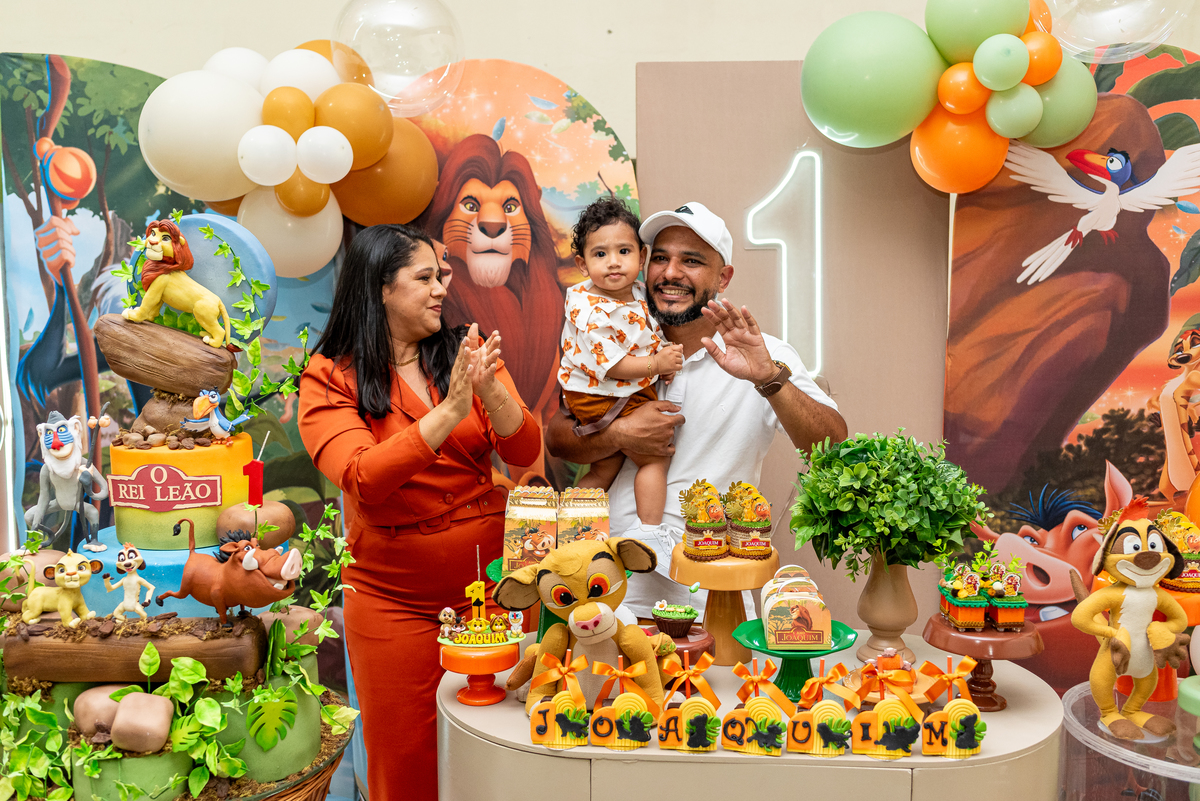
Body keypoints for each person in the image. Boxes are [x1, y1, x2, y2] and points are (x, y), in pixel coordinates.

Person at [298, 224, 541, 801]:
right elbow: (364, 478)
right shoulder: (329, 377)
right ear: (381, 288)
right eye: (425, 277)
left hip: (494, 589)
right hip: (392, 603)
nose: (441, 290)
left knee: (506, 746)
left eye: (443, 277)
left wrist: (487, 390)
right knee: (405, 762)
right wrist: (451, 408)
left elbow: (525, 450)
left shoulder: (465, 352)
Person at [546, 202, 847, 617]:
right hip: (606, 585)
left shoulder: (762, 354)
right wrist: (620, 435)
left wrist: (767, 378)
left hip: (711, 592)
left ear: (723, 277)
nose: (670, 273)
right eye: (661, 258)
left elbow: (831, 447)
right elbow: (558, 438)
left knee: (711, 686)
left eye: (691, 261)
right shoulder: (615, 335)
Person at [559, 198, 684, 526]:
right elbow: (613, 365)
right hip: (600, 392)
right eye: (600, 254)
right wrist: (656, 365)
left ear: (642, 257)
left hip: (616, 389)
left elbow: (645, 333)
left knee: (605, 467)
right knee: (654, 459)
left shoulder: (639, 292)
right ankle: (651, 532)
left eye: (624, 252)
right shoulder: (591, 311)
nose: (613, 263)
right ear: (583, 264)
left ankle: (566, 528)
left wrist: (662, 355)